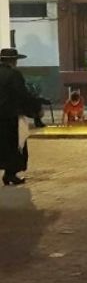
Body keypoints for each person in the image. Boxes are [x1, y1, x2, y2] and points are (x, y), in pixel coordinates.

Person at [0, 48, 42, 186]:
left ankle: (8, 174)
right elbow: (23, 95)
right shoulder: (14, 75)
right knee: (14, 145)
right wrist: (36, 110)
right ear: (14, 61)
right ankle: (10, 174)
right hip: (9, 117)